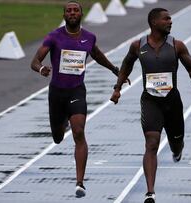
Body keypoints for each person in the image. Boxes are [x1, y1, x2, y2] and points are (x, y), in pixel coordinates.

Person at [30, 1, 129, 197]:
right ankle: (62, 124)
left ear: (81, 14)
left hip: (77, 91)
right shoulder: (54, 36)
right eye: (69, 11)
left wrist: (116, 70)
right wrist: (41, 69)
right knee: (58, 138)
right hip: (57, 93)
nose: (72, 13)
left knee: (79, 132)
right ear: (64, 15)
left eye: (76, 10)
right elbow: (35, 60)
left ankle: (80, 183)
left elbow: (98, 56)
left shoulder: (89, 38)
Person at [110, 8, 191, 203]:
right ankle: (150, 192)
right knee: (151, 144)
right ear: (154, 23)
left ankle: (176, 149)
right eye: (166, 19)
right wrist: (117, 88)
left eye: (170, 18)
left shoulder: (177, 46)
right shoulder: (138, 46)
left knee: (176, 142)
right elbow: (127, 65)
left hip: (172, 102)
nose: (171, 22)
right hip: (150, 101)